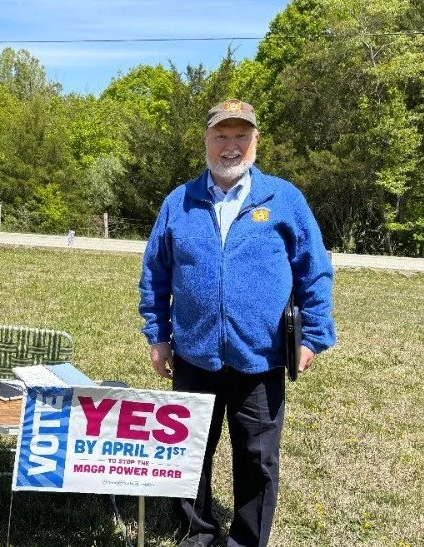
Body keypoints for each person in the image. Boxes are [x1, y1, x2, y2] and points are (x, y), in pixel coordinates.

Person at [138, 99, 336, 547]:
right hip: (193, 354)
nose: (231, 146)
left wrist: (315, 335)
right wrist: (159, 336)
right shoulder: (179, 201)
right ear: (206, 141)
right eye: (221, 136)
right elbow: (155, 272)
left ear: (255, 141)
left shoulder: (284, 199)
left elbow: (314, 270)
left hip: (261, 358)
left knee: (258, 459)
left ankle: (247, 540)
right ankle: (197, 533)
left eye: (240, 136)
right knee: (190, 453)